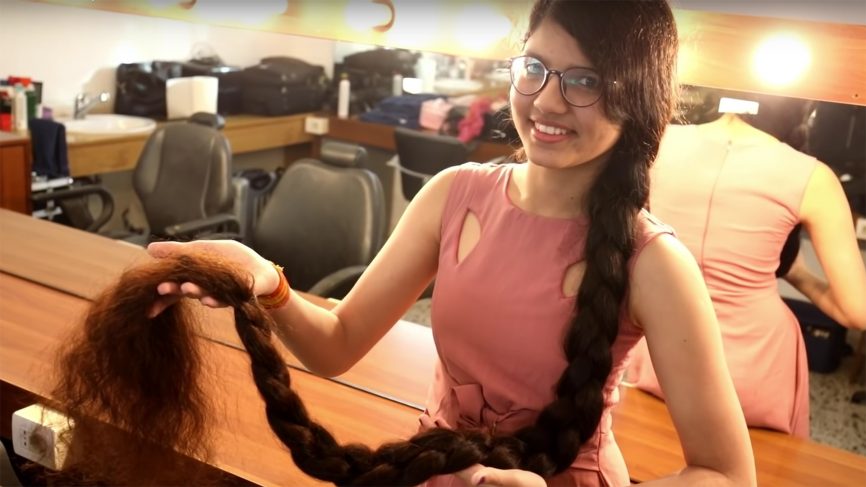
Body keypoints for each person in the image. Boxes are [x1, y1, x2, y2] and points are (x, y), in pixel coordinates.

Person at [148, 1, 756, 485]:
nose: (545, 99)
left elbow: (726, 473)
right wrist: (264, 280)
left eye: (585, 81)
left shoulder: (654, 262)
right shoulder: (453, 195)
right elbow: (336, 347)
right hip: (436, 468)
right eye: (535, 67)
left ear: (636, 96)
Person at [627, 96, 866, 439]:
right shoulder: (813, 176)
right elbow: (856, 313)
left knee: (650, 451)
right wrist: (797, 274)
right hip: (756, 365)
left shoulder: (659, 141)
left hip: (659, 347)